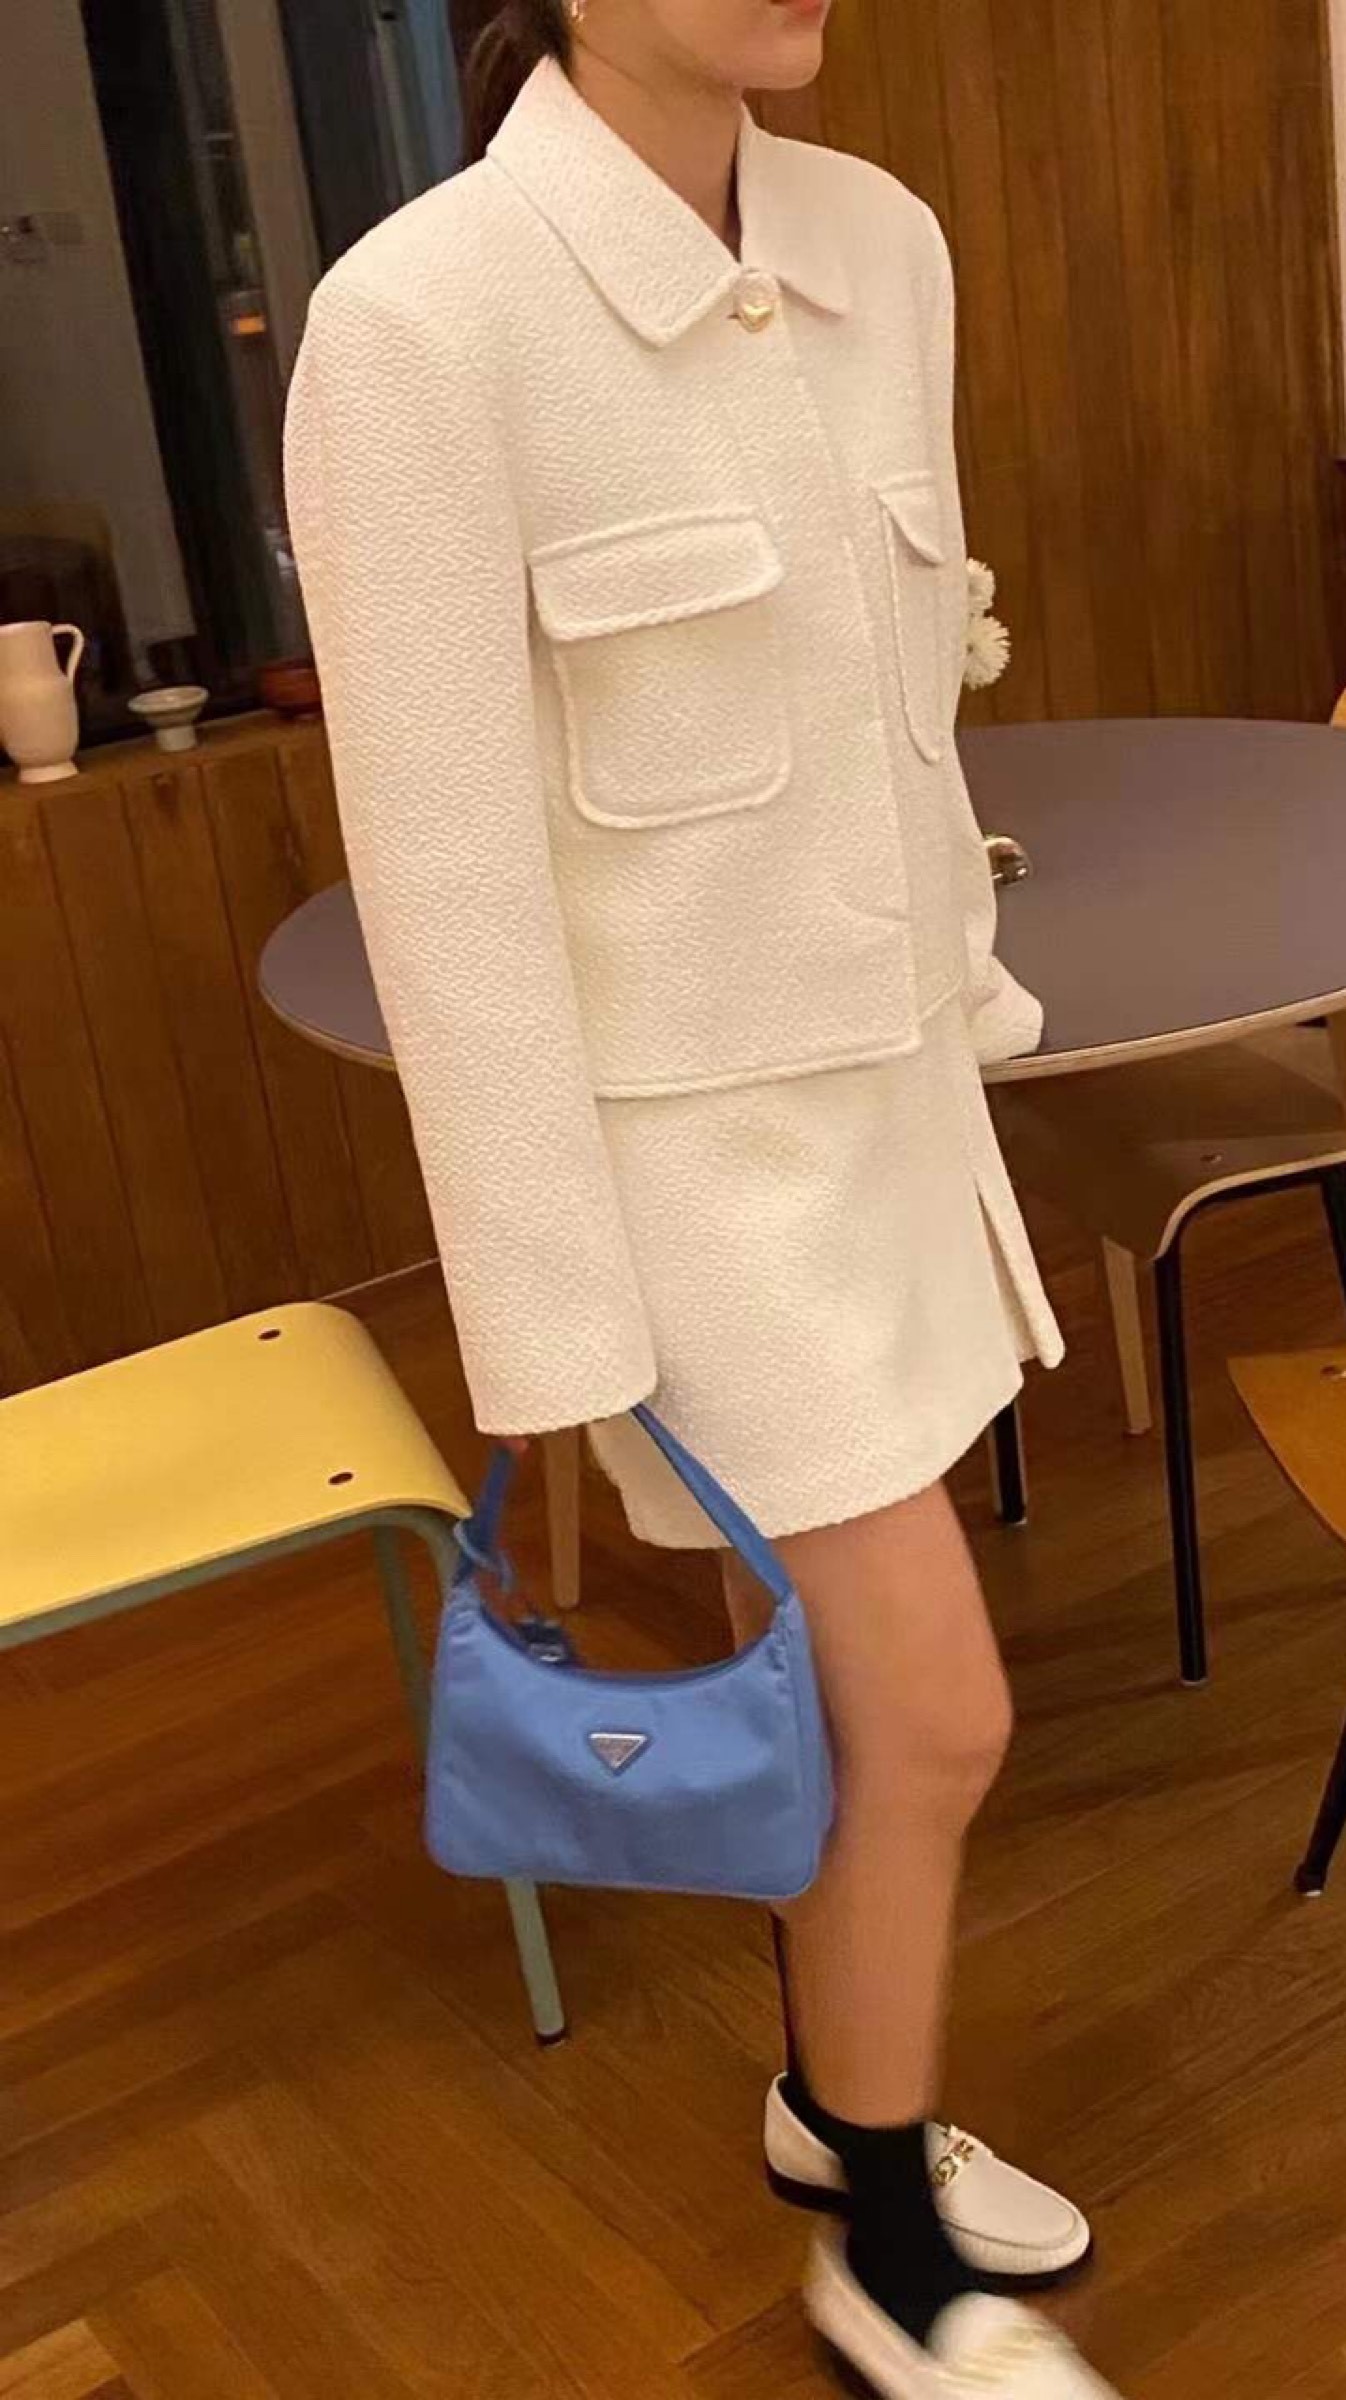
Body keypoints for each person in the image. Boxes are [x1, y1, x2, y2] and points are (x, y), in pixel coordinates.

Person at [286, 4, 1119, 2393]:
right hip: (689, 1184)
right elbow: (450, 894)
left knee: (848, 1709)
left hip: (893, 1127)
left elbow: (905, 708)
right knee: (936, 1717)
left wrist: (965, 1009)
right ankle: (888, 2255)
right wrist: (556, 1331)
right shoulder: (422, 321)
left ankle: (839, 2105)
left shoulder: (883, 244)